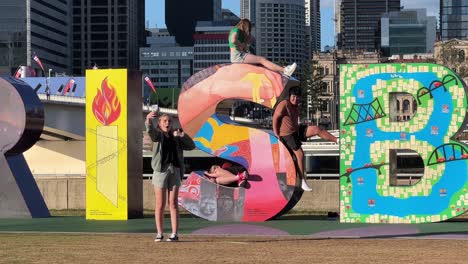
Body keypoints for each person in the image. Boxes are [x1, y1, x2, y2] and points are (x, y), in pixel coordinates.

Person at [272, 86, 338, 192]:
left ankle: (337, 140)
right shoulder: (284, 104)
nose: (295, 99)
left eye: (298, 97)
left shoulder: (296, 106)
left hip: (296, 131)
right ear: (289, 96)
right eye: (293, 97)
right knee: (300, 154)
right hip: (287, 135)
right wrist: (276, 134)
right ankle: (302, 181)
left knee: (316, 129)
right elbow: (275, 118)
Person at [146, 109, 195, 242]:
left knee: (173, 203)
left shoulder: (176, 136)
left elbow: (191, 146)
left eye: (169, 121)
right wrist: (148, 120)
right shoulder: (158, 136)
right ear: (160, 123)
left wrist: (182, 135)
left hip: (175, 170)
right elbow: (151, 133)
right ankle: (159, 233)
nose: (167, 123)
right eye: (165, 121)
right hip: (160, 171)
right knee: (160, 204)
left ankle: (174, 234)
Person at [229, 18, 297, 77]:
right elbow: (233, 40)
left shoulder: (237, 31)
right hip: (238, 56)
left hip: (239, 55)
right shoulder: (236, 30)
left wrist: (247, 36)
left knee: (262, 61)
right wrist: (242, 45)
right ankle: (285, 70)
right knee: (261, 60)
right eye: (248, 28)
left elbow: (252, 40)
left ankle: (280, 71)